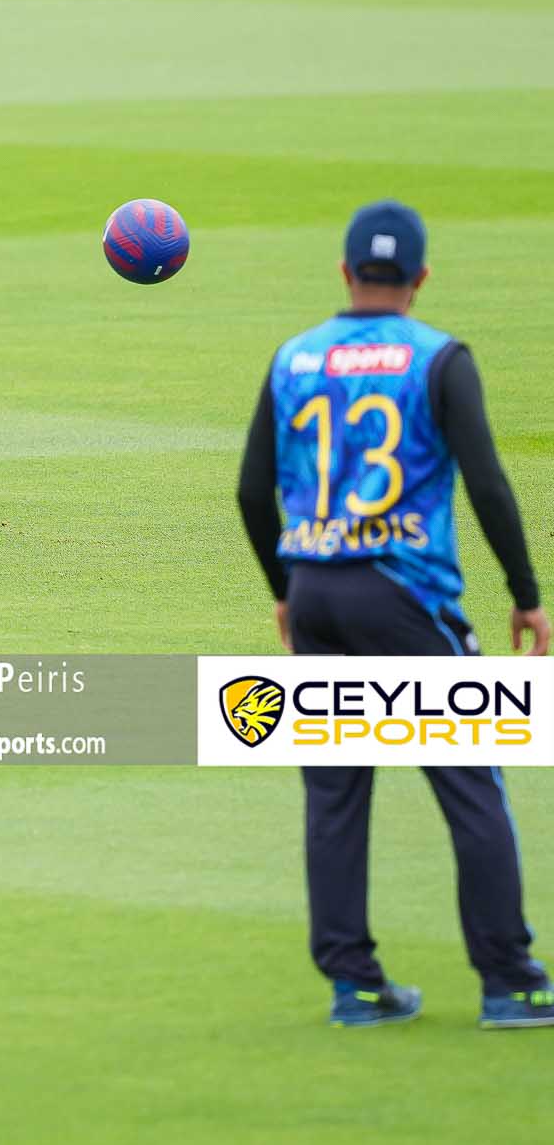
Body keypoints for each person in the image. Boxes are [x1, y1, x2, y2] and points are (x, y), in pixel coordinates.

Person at [236, 199, 554, 1030]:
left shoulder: (294, 357)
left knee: (335, 793)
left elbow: (251, 489)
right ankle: (510, 981)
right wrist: (526, 593)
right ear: (421, 277)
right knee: (470, 783)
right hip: (405, 598)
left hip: (317, 594)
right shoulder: (439, 357)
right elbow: (487, 483)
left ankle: (355, 984)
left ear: (345, 272)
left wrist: (285, 587)